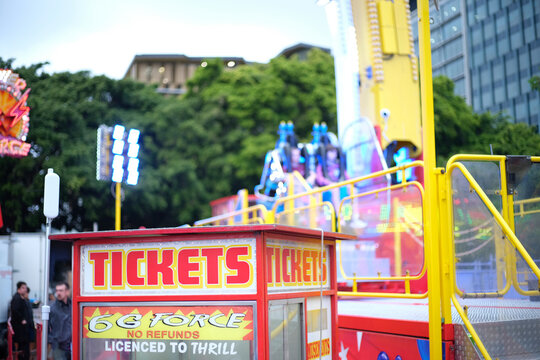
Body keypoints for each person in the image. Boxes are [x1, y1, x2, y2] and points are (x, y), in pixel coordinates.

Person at [49, 282, 72, 360]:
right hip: (58, 345)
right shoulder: (52, 308)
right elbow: (47, 326)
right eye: (57, 290)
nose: (58, 293)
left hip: (72, 345)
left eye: (61, 290)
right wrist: (51, 340)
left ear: (67, 292)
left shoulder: (73, 306)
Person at [10, 281, 31, 360]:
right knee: (22, 347)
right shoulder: (17, 298)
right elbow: (15, 310)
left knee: (23, 346)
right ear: (19, 288)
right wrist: (22, 319)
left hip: (23, 328)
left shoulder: (21, 298)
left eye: (25, 288)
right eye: (23, 288)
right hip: (20, 329)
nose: (25, 289)